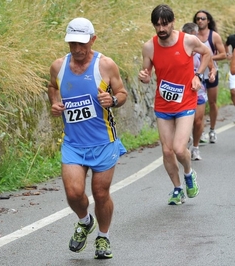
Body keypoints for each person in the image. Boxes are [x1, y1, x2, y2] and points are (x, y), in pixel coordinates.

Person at [48, 17, 128, 259]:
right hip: (73, 143)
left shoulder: (105, 65)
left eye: (82, 43)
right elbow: (52, 86)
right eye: (72, 43)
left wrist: (113, 100)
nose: (77, 49)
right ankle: (85, 221)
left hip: (103, 142)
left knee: (101, 192)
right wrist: (54, 101)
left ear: (93, 39)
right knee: (73, 193)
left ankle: (103, 238)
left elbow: (122, 92)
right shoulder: (58, 66)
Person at [138, 5, 211, 205]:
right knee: (167, 150)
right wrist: (144, 76)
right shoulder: (149, 47)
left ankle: (189, 173)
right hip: (163, 104)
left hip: (186, 100)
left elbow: (206, 54)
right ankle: (178, 189)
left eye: (164, 24)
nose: (161, 29)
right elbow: (146, 73)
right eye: (157, 25)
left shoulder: (188, 41)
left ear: (172, 23)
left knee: (179, 149)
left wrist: (197, 75)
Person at [181, 22, 216, 160]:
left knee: (198, 120)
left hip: (199, 90)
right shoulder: (179, 49)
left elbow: (212, 67)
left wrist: (212, 74)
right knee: (184, 119)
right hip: (182, 91)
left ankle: (195, 147)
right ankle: (185, 139)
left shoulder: (202, 49)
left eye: (193, 36)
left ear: (196, 36)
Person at [193, 10, 226, 143]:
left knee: (212, 103)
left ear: (208, 21)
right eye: (198, 19)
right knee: (198, 105)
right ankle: (198, 132)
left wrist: (207, 57)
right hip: (196, 76)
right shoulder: (192, 36)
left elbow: (223, 54)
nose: (200, 20)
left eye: (203, 18)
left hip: (211, 74)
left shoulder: (214, 36)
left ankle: (212, 129)